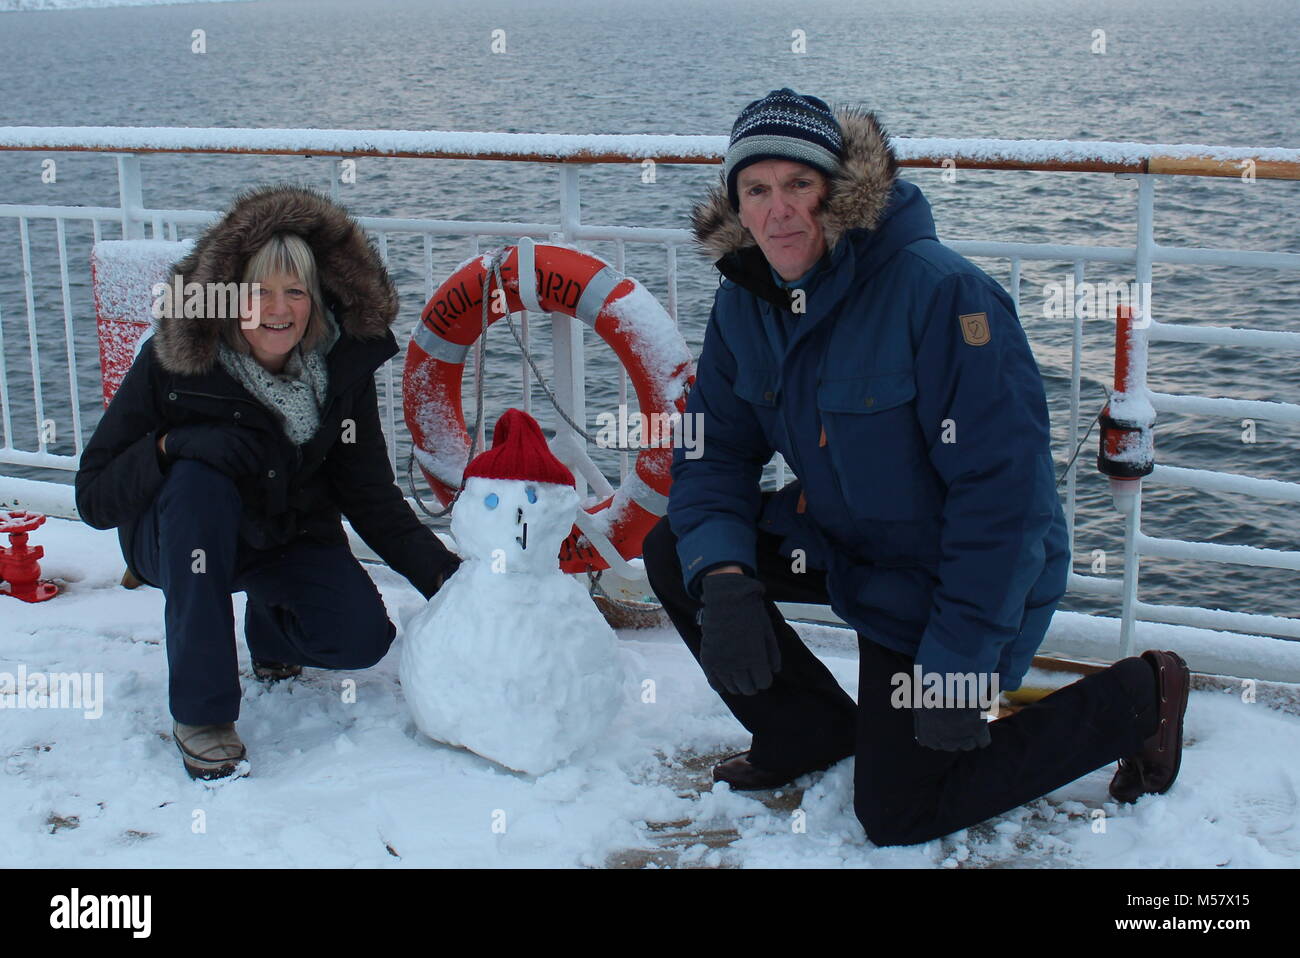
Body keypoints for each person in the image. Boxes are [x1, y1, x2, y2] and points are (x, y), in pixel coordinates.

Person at [643, 89, 1190, 846]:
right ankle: (808, 734)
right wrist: (727, 582)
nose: (779, 213)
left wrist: (959, 663)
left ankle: (1138, 697)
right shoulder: (745, 306)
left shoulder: (942, 295)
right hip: (846, 541)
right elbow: (714, 454)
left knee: (900, 810)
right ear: (736, 204)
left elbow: (1004, 503)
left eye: (799, 185)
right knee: (682, 550)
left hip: (951, 576)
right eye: (757, 190)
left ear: (839, 192)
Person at [75, 186, 461, 781]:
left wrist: (447, 581)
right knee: (199, 486)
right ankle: (202, 715)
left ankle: (272, 629)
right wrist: (168, 446)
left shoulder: (339, 370)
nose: (276, 309)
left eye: (295, 292)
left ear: (317, 301)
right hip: (183, 543)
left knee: (360, 640)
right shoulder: (170, 364)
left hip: (284, 537)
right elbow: (94, 496)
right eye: (258, 291)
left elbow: (371, 496)